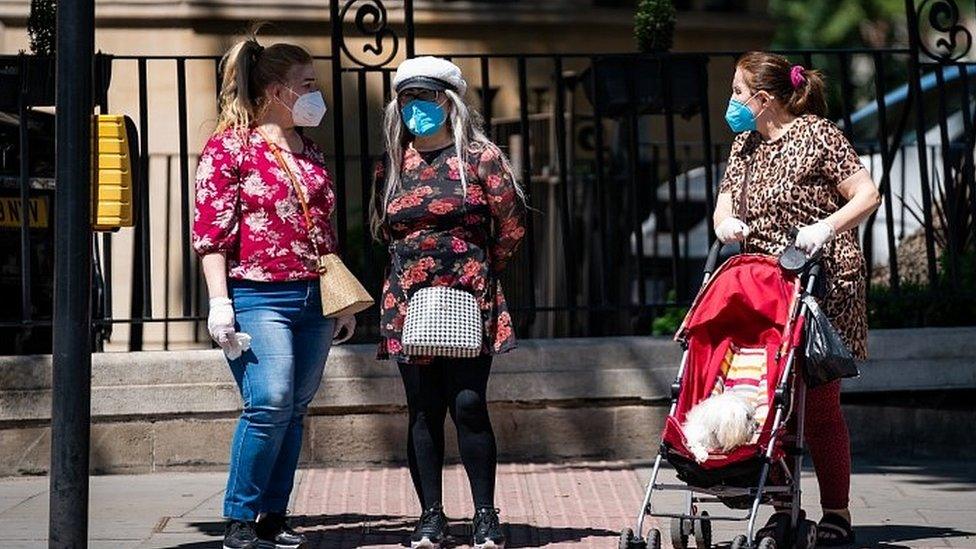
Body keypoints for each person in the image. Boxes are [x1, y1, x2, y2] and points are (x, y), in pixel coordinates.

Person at [192, 32, 356, 549]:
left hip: (314, 298)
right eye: (306, 84)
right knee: (270, 400)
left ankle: (273, 516)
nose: (315, 94)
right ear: (276, 90)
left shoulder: (310, 150)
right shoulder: (228, 148)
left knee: (296, 408)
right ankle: (239, 519)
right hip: (258, 295)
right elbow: (210, 232)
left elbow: (323, 230)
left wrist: (341, 299)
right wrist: (220, 304)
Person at [714, 51, 881, 547]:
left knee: (821, 409)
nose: (732, 101)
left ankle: (837, 513)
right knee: (773, 408)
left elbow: (866, 194)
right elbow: (725, 200)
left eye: (739, 92)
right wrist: (725, 224)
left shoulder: (819, 136)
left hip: (822, 286)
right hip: (764, 291)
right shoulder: (743, 144)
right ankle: (785, 509)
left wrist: (825, 227)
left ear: (764, 99)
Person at [370, 56, 527, 549]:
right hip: (408, 300)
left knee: (468, 404)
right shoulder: (394, 162)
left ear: (450, 102)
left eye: (428, 97)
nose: (418, 107)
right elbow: (386, 229)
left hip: (467, 295)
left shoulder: (481, 158)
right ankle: (430, 516)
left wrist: (477, 271)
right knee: (422, 408)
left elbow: (513, 227)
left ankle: (485, 515)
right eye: (408, 98)